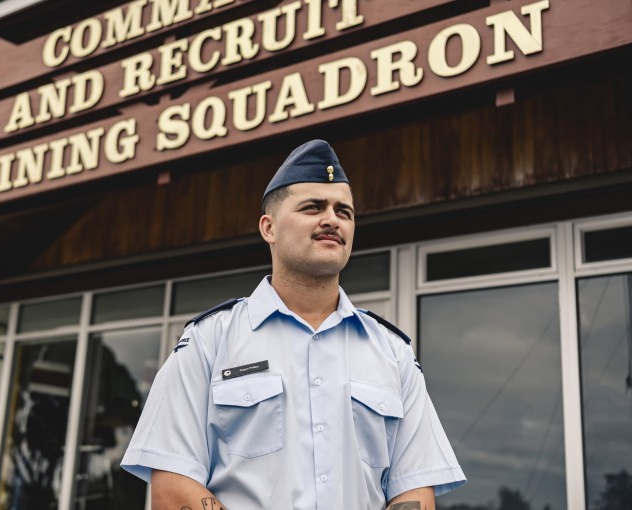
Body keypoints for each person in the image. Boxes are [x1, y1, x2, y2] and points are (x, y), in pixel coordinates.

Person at [121, 140, 466, 509]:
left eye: (344, 211)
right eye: (313, 207)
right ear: (268, 227)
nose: (332, 219)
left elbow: (413, 491)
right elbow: (172, 488)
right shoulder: (208, 342)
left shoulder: (393, 354)